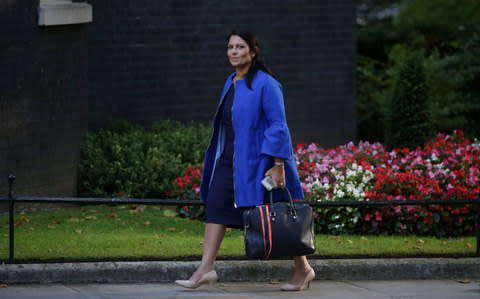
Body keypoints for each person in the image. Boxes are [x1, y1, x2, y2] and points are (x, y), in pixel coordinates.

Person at [175, 29, 315, 292]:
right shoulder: (230, 81)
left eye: (240, 47)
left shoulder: (267, 84)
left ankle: (303, 268)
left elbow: (278, 125)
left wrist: (278, 164)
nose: (234, 52)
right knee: (216, 204)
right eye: (230, 47)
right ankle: (205, 269)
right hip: (229, 161)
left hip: (261, 163)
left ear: (253, 51)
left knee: (280, 212)